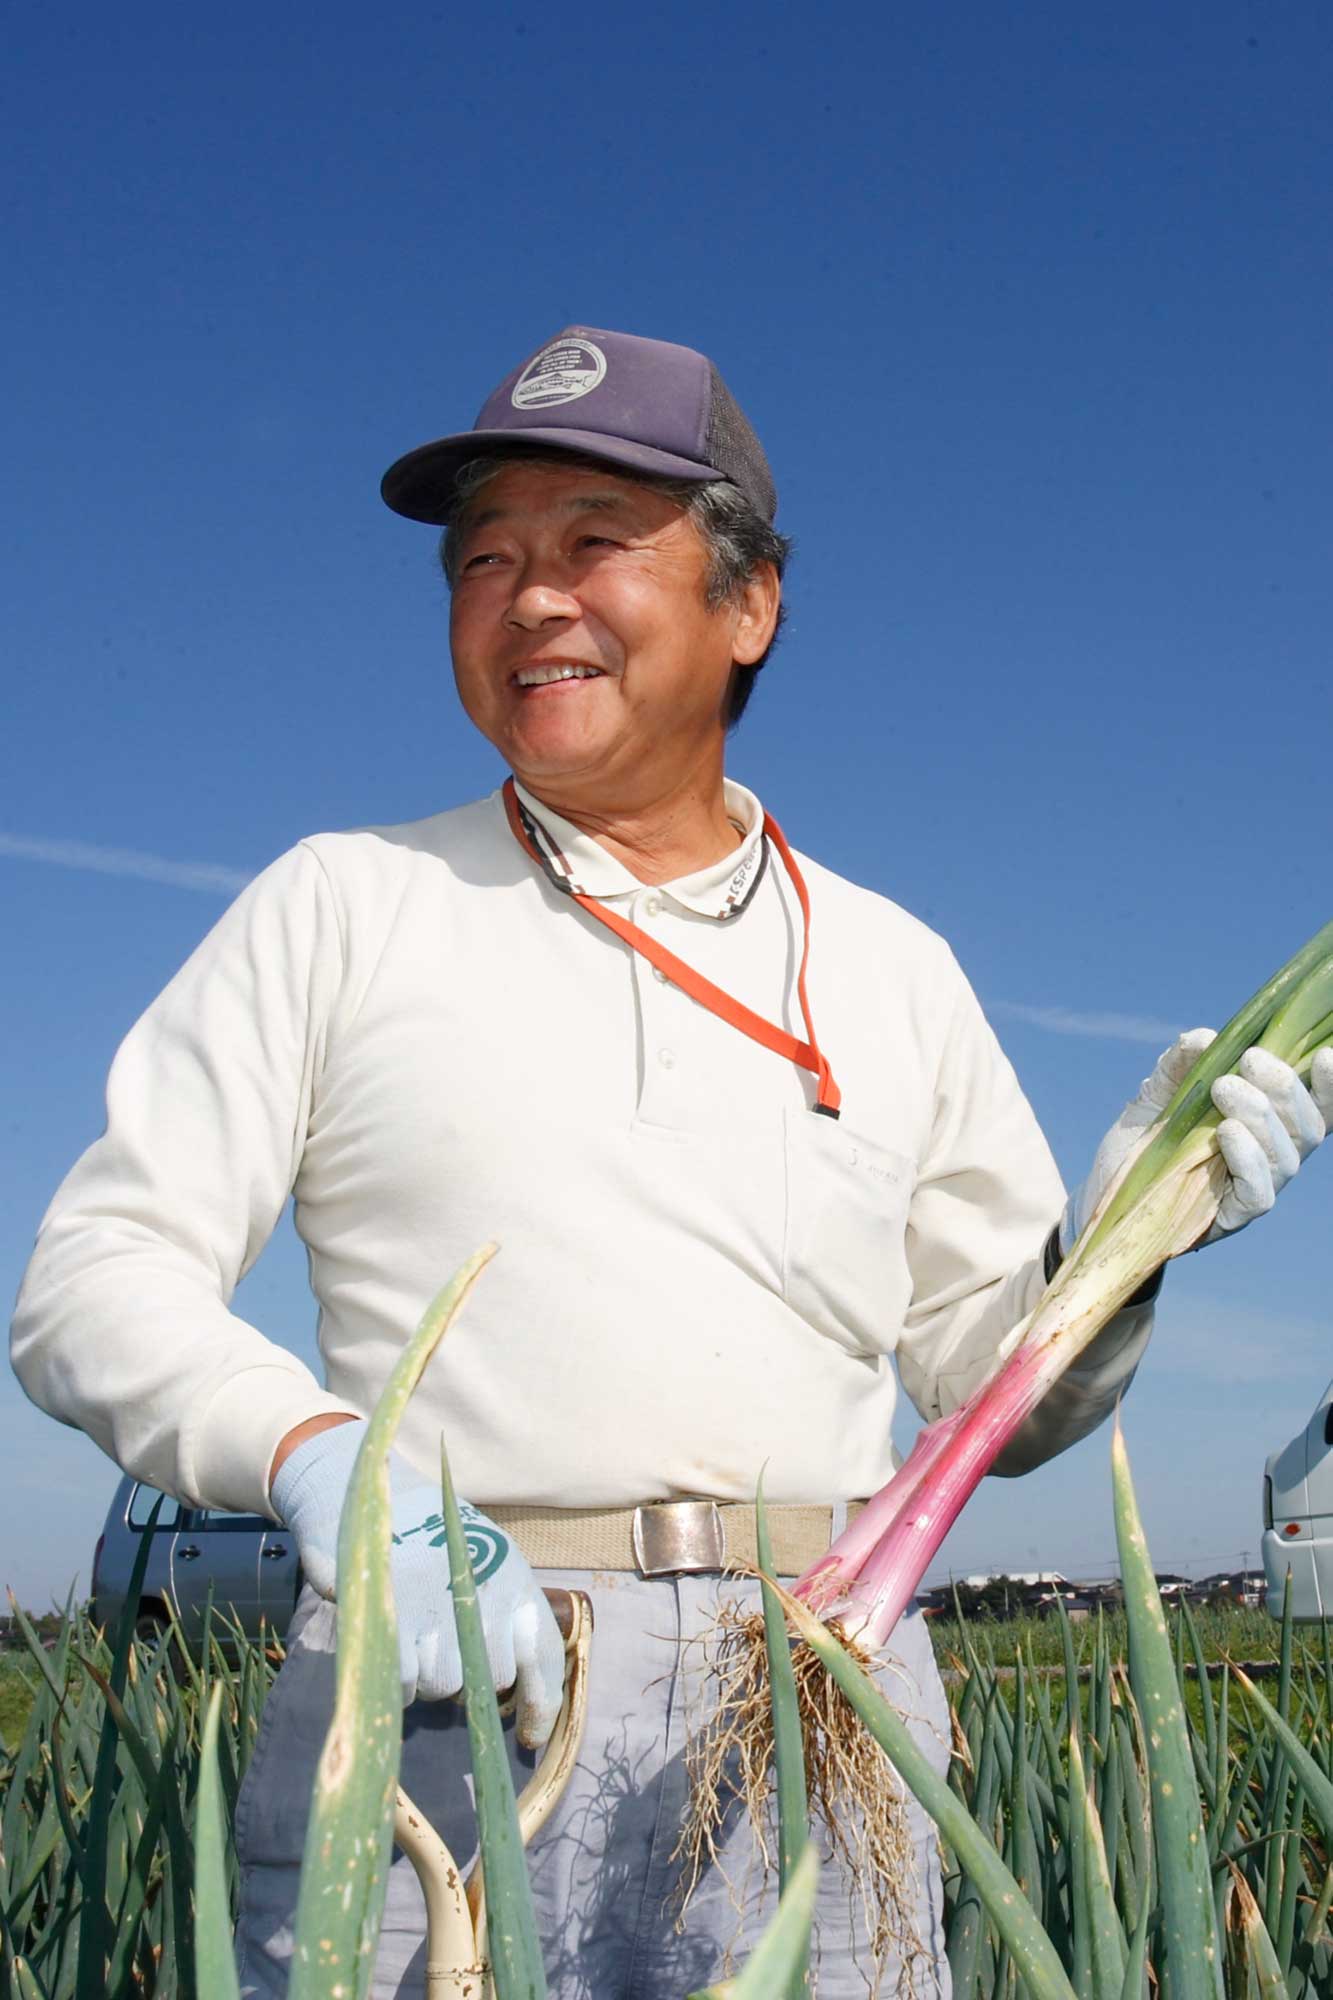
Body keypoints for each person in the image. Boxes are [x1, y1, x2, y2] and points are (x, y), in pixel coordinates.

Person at [12, 325, 1332, 1999]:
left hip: (820, 1688)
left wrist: (1137, 1241)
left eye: (590, 545)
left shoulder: (889, 965)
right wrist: (325, 1464)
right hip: (447, 1677)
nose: (529, 599)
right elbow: (90, 1279)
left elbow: (990, 1389)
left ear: (749, 603)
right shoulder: (341, 904)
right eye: (483, 561)